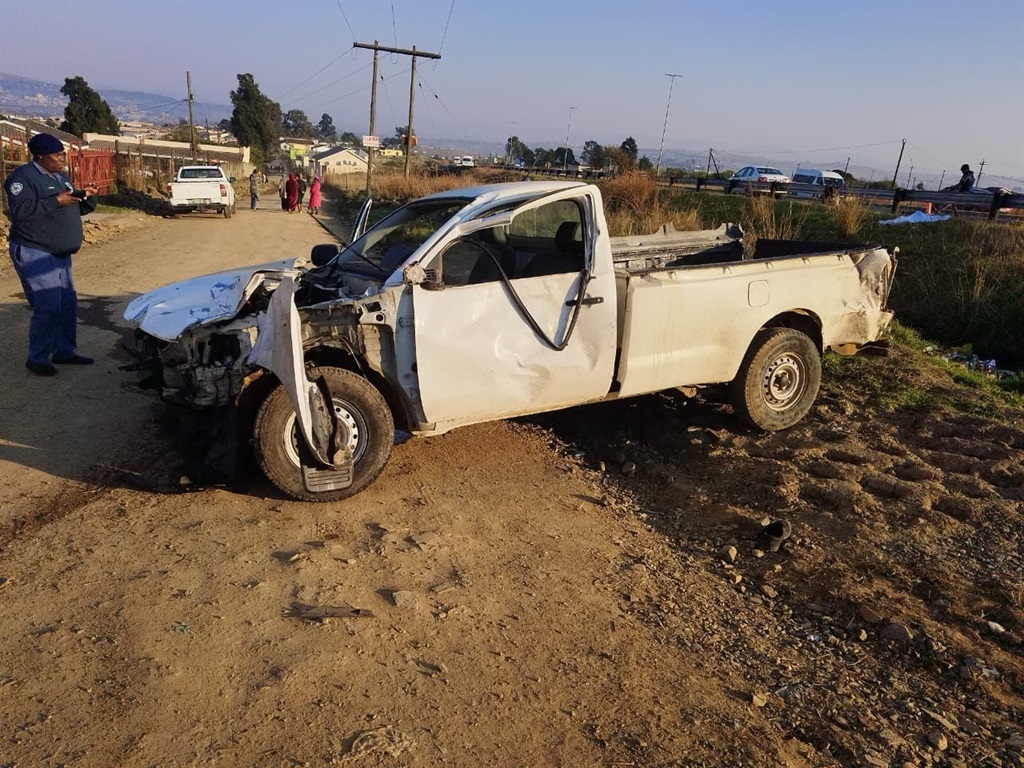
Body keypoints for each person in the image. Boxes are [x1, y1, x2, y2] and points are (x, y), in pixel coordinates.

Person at [3, 133, 99, 376]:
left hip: (59, 253)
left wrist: (88, 196)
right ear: (41, 157)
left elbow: (76, 206)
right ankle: (37, 358)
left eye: (62, 154)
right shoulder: (22, 178)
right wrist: (56, 200)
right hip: (35, 250)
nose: (61, 159)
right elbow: (21, 212)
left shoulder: (60, 178)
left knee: (67, 304)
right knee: (48, 306)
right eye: (57, 156)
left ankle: (64, 350)